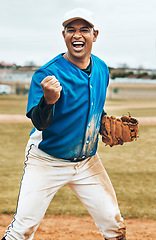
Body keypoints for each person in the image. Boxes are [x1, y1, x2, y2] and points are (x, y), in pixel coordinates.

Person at [2, 8, 126, 240]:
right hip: (46, 160)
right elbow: (39, 122)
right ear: (64, 35)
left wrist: (104, 122)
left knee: (113, 223)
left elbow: (93, 107)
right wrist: (48, 100)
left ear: (95, 35)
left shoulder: (101, 68)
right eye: (71, 30)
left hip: (87, 162)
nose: (77, 35)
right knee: (23, 228)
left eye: (84, 30)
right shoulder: (48, 74)